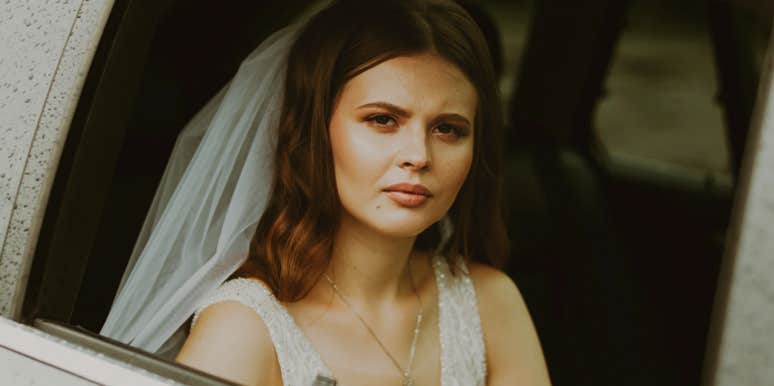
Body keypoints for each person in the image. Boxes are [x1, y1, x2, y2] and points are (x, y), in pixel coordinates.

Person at [105, 0, 549, 385]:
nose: (418, 155)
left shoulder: (490, 304)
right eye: (382, 120)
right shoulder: (244, 331)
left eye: (448, 129)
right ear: (316, 132)